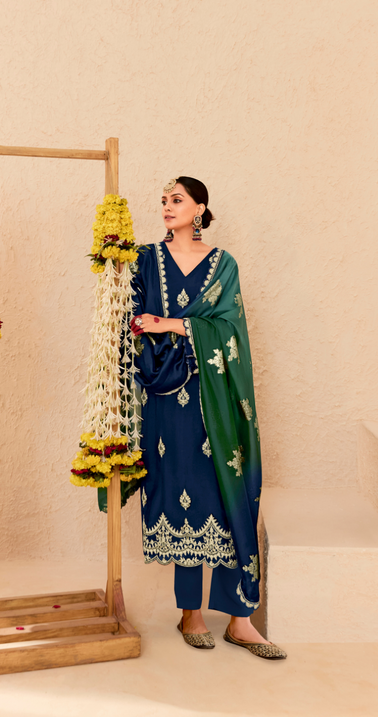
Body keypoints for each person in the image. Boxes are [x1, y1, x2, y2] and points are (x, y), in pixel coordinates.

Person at [129, 176, 286, 660]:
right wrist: (143, 325)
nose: (167, 207)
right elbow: (130, 316)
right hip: (165, 396)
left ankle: (240, 619)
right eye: (163, 201)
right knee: (180, 491)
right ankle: (189, 612)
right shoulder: (145, 260)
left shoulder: (224, 265)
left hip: (213, 395)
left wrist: (173, 324)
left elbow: (231, 330)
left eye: (177, 200)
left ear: (200, 208)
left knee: (224, 493)